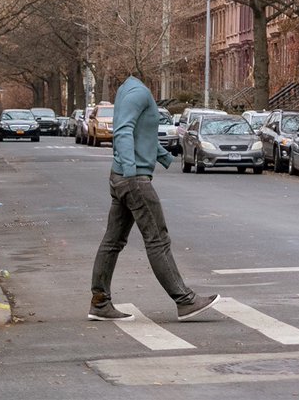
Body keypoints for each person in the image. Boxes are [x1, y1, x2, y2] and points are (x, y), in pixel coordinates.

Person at [89, 75, 219, 322]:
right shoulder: (138, 93)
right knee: (158, 240)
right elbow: (123, 131)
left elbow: (141, 135)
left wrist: (162, 156)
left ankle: (100, 302)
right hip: (133, 179)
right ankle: (185, 300)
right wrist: (131, 170)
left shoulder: (126, 91)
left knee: (113, 241)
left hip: (122, 177)